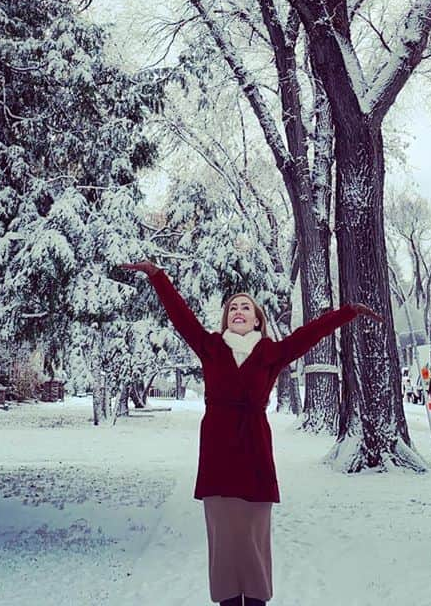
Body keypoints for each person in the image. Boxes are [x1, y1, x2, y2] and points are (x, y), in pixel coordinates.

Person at [121, 260, 381, 606]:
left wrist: (347, 312)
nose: (238, 311)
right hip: (217, 458)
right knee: (225, 545)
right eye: (232, 308)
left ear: (258, 318)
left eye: (246, 307)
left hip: (256, 457)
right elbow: (180, 315)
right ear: (226, 318)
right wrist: (157, 275)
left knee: (255, 544)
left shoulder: (270, 353)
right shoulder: (210, 346)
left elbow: (309, 334)